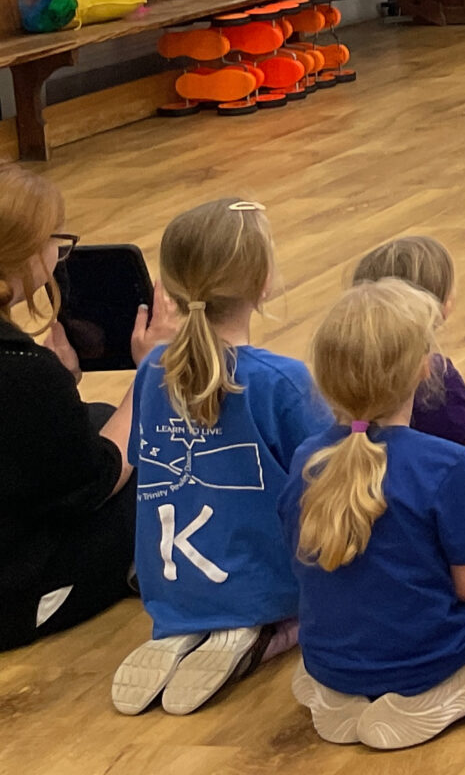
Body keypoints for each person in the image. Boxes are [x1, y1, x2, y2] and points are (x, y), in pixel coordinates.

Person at [283, 279, 465, 751]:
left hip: (327, 657)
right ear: (425, 369)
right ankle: (443, 690)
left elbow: (301, 560)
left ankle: (347, 694)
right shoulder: (448, 464)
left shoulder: (307, 457)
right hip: (423, 654)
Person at [115, 198, 329, 716]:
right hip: (263, 587)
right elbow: (332, 477)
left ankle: (191, 629)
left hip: (170, 592)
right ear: (263, 284)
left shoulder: (151, 371)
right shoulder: (281, 380)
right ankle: (265, 631)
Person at [1, 164, 164, 653]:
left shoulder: (28, 372)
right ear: (25, 255)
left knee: (91, 416)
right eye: (54, 240)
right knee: (162, 470)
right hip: (15, 601)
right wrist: (150, 374)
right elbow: (95, 483)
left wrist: (62, 383)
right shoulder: (23, 372)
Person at [351, 235, 465, 521]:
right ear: (442, 306)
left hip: (365, 490)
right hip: (424, 499)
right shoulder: (433, 375)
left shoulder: (346, 365)